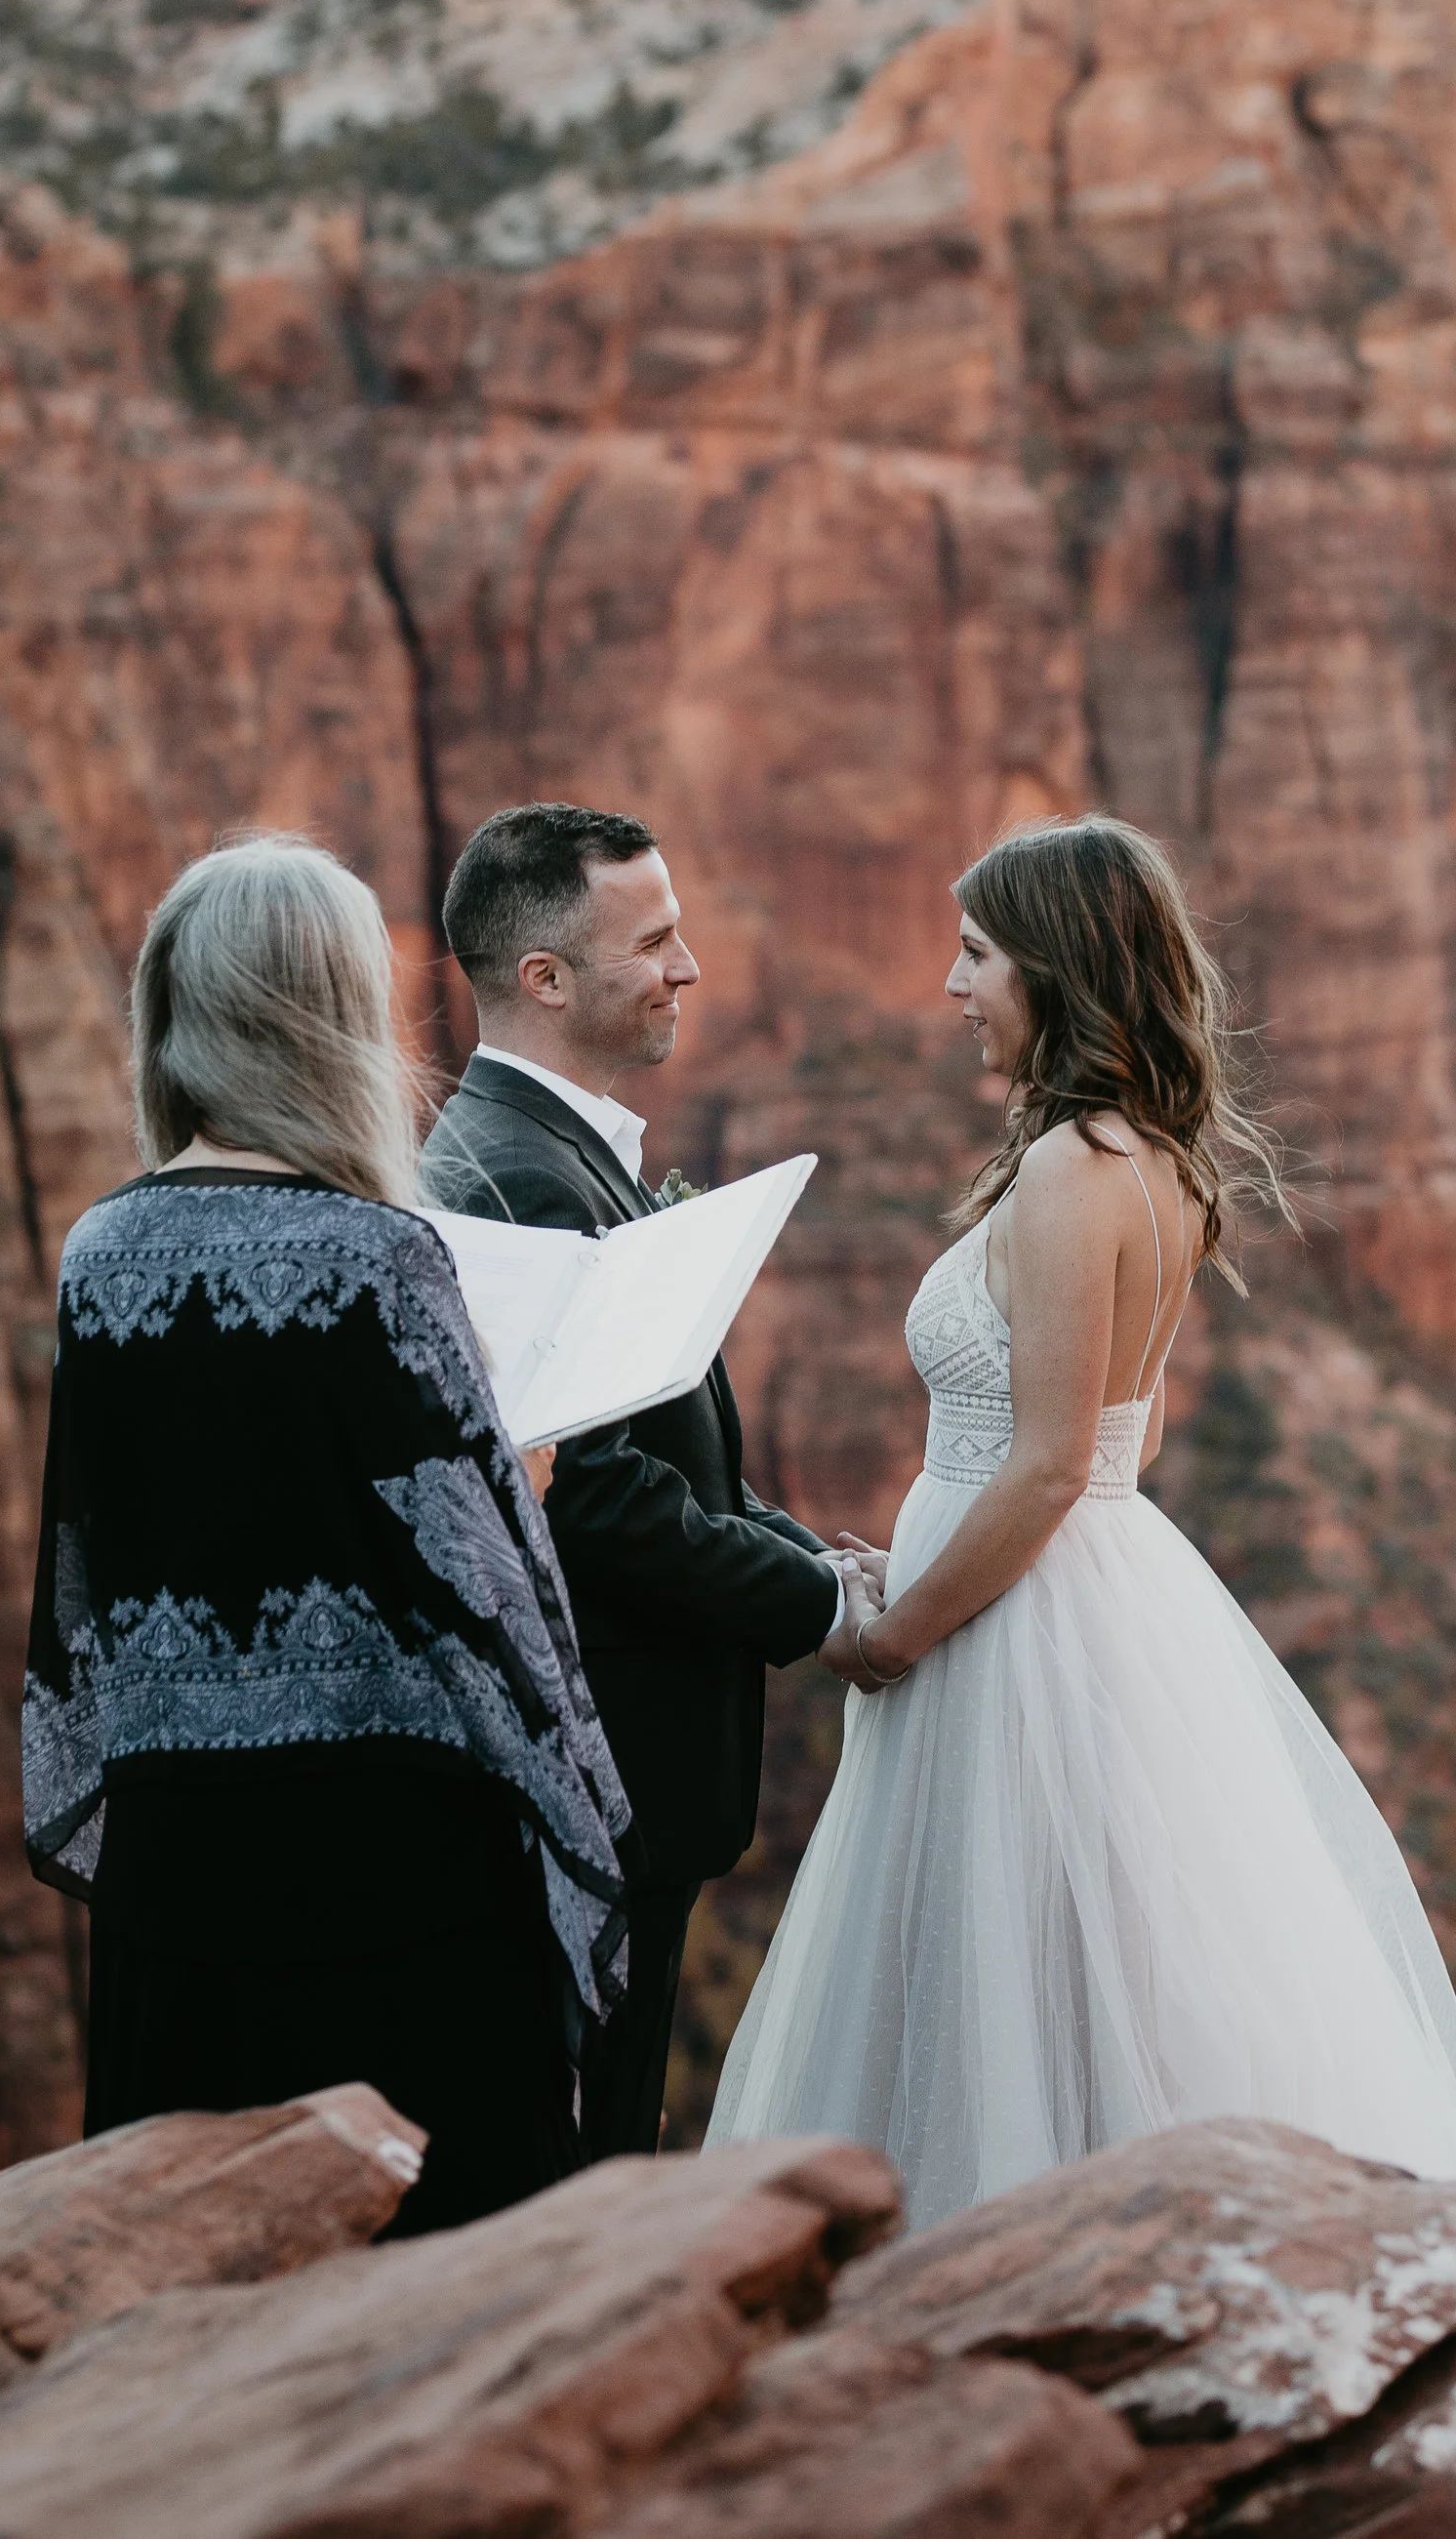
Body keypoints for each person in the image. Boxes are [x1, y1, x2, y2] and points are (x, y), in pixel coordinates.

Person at [706, 812, 1456, 2264]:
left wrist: (897, 1626)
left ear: (1054, 966)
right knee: (1096, 1971)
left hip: (1012, 1621)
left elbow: (1044, 1470)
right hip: (1091, 1592)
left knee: (1013, 1984)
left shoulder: (1064, 1169)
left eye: (977, 952)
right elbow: (1127, 1435)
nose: (953, 984)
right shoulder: (1146, 1155)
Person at [20, 832, 630, 2234]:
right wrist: (520, 1479)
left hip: (180, 1868)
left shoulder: (97, 1253)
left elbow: (94, 1558)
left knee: (203, 2276)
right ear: (335, 1014)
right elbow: (484, 1584)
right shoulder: (383, 1253)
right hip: (387, 1877)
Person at [418, 801, 880, 2164]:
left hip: (631, 1777)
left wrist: (812, 1548)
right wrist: (820, 1605)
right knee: (579, 2149)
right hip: (598, 1777)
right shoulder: (513, 1178)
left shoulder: (550, 1155)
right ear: (546, 979)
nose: (690, 968)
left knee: (611, 2130)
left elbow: (673, 1456)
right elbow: (596, 1495)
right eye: (656, 940)